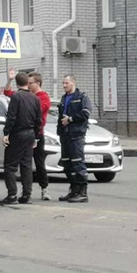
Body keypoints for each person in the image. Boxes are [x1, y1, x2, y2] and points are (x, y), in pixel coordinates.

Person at [0, 72, 41, 205]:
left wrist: (6, 133)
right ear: (27, 83)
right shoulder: (35, 99)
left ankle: (12, 195)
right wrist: (35, 136)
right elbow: (38, 120)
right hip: (30, 134)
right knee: (26, 165)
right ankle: (27, 195)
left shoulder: (16, 97)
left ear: (17, 83)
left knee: (10, 166)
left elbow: (11, 117)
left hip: (18, 134)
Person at [57, 74, 92, 203]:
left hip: (76, 135)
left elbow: (86, 113)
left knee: (78, 163)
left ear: (73, 83)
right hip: (65, 135)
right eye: (63, 83)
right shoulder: (63, 98)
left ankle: (83, 192)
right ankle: (73, 190)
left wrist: (70, 119)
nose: (64, 85)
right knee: (67, 164)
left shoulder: (82, 97)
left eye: (66, 83)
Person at [27, 71, 52, 200]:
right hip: (26, 133)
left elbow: (37, 111)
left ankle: (44, 189)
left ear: (37, 83)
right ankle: (26, 191)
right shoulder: (27, 95)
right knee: (25, 163)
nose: (28, 85)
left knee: (39, 162)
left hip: (37, 133)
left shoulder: (43, 97)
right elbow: (8, 93)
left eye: (30, 83)